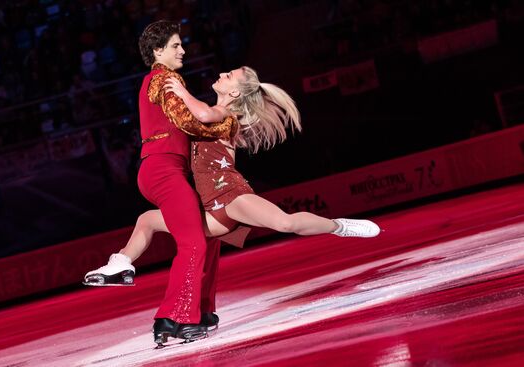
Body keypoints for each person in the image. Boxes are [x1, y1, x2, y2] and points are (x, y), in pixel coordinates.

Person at [85, 64, 381, 341]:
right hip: (209, 208)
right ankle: (120, 264)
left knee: (284, 222)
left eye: (230, 75)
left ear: (235, 93)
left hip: (230, 194)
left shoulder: (225, 116)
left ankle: (340, 226)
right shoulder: (210, 112)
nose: (223, 73)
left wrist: (179, 89)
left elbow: (201, 115)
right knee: (146, 220)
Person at [99, 20, 236, 347]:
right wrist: (228, 124)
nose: (183, 50)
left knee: (208, 235)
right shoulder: (165, 78)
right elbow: (188, 120)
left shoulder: (157, 80)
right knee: (194, 243)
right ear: (158, 51)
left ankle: (201, 311)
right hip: (164, 170)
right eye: (176, 46)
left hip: (164, 169)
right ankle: (173, 318)